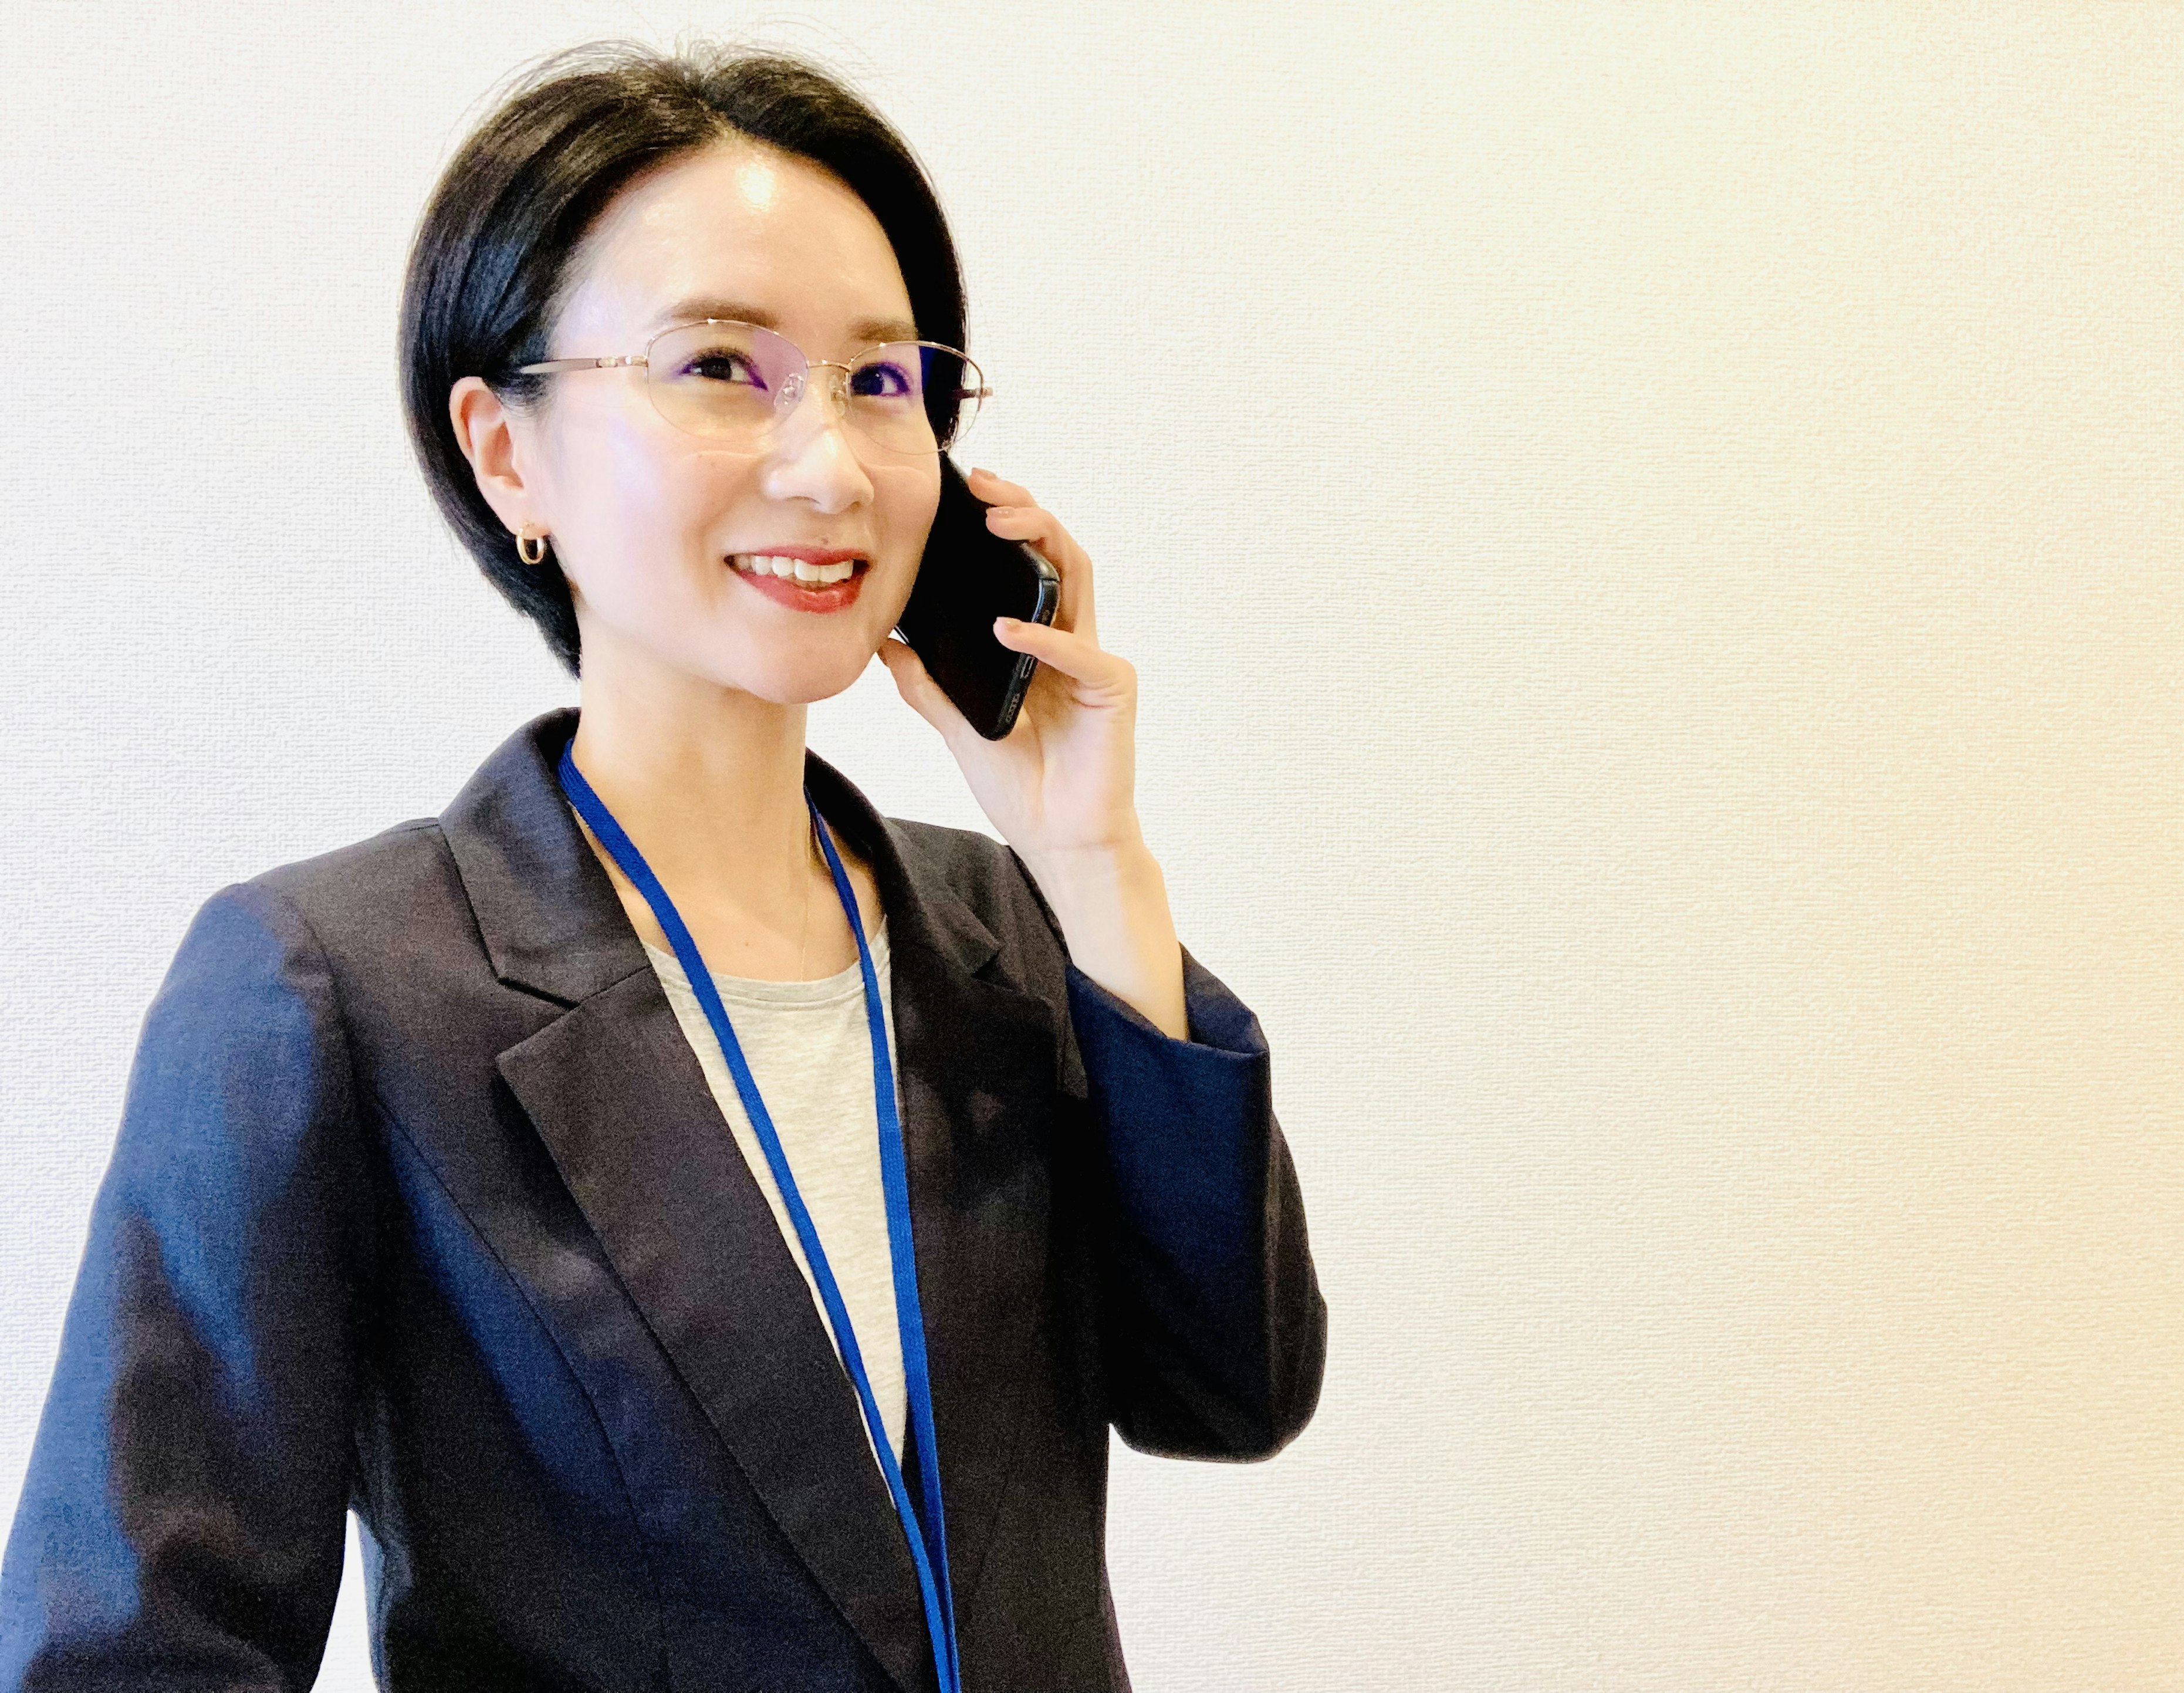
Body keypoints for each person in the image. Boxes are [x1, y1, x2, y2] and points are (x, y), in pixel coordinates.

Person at [0, 38, 1324, 1693]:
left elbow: (1235, 1388)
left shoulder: (1000, 934)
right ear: (506, 453)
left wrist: (1089, 857)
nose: (830, 466)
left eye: (880, 380)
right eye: (720, 367)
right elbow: (133, 1652)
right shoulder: (334, 986)